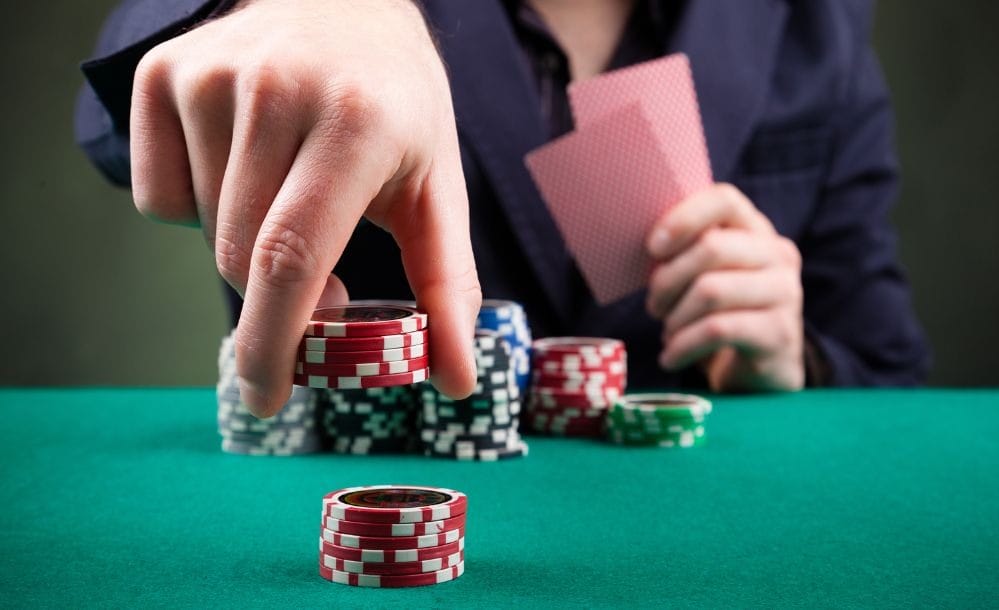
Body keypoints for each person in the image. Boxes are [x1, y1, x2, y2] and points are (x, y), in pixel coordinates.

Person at [76, 0, 930, 417]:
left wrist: (798, 362)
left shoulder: (821, 21)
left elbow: (891, 380)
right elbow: (112, 127)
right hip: (350, 515)